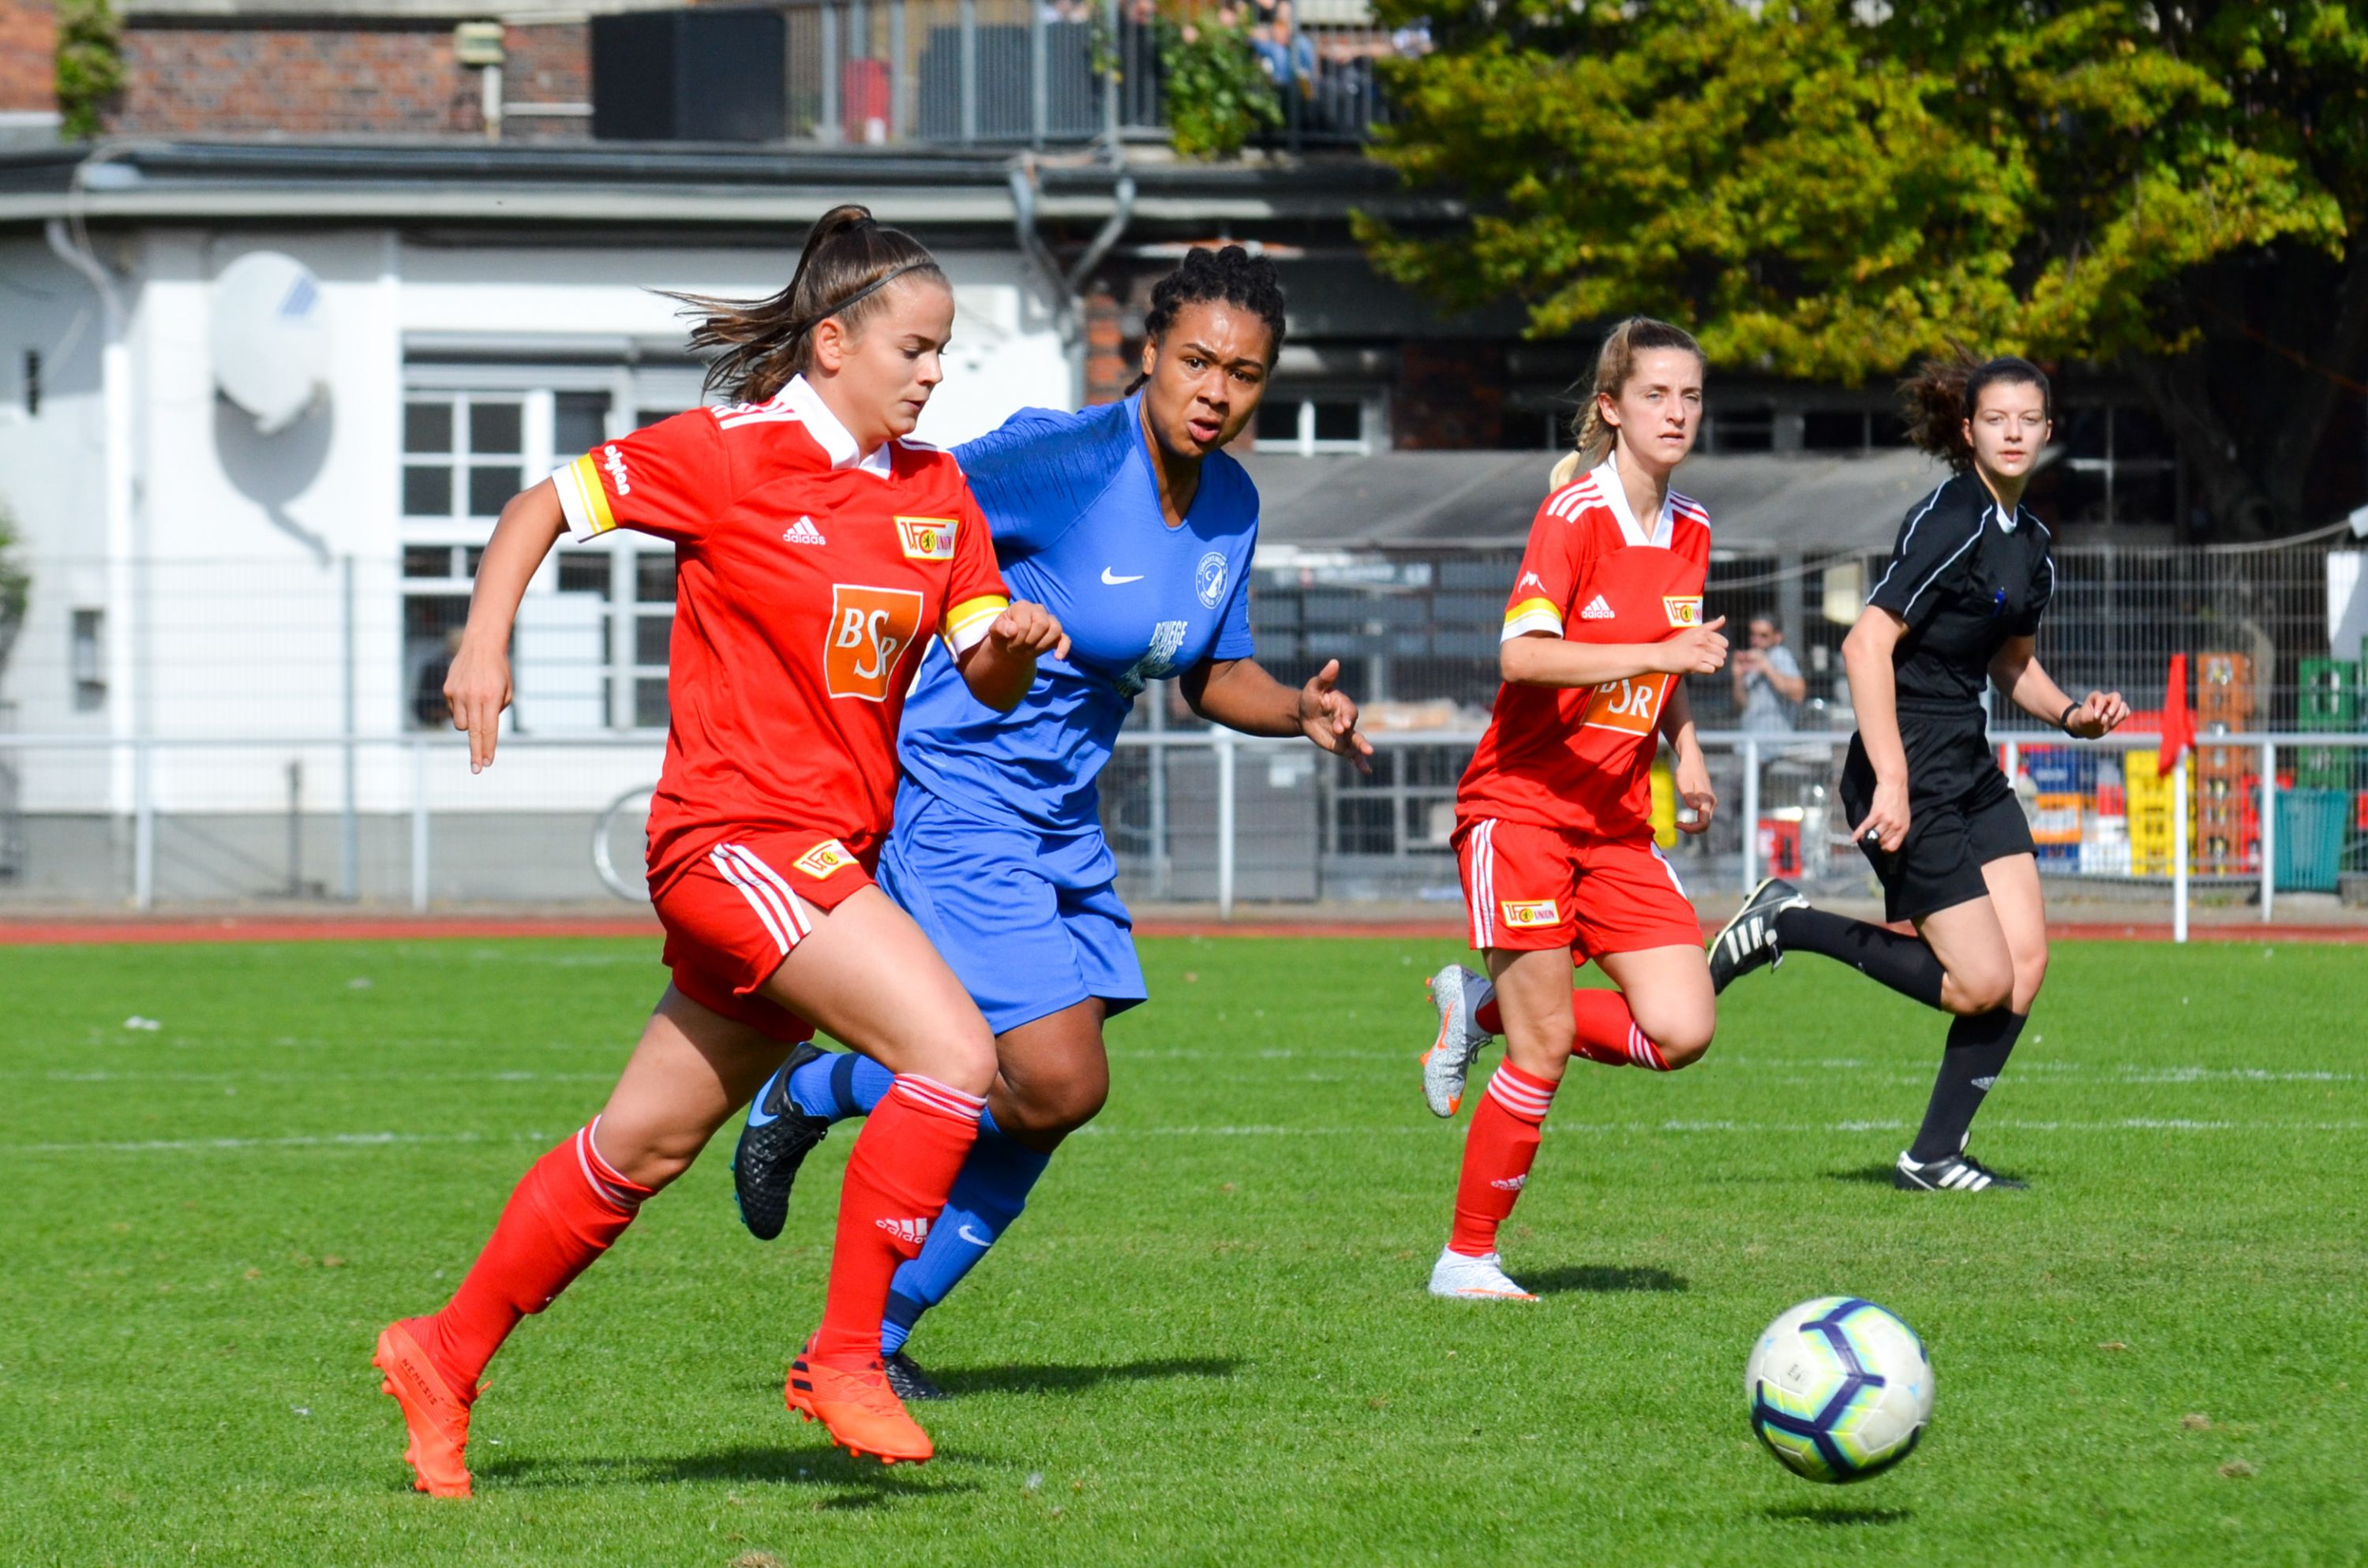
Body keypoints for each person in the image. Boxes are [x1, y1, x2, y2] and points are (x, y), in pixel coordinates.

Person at [372, 205, 1070, 1491]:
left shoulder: (937, 493)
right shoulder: (729, 454)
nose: (930, 374)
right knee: (955, 1054)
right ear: (832, 343)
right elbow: (543, 503)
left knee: (635, 1148)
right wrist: (485, 636)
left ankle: (442, 1350)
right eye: (913, 349)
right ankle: (846, 1354)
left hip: (820, 865)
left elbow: (981, 673)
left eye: (944, 353)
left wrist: (1010, 649)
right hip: (734, 841)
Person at [730, 245, 1373, 1396]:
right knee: (1047, 1073)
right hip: (954, 789)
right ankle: (812, 1096)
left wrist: (1299, 711)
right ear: (1149, 356)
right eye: (1196, 363)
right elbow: (899, 503)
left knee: (1055, 1098)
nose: (1216, 392)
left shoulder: (1231, 502)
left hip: (1061, 820)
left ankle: (869, 1335)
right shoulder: (1064, 457)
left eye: (1245, 373)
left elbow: (1209, 671)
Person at [1707, 351, 2128, 1192]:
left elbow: (2013, 669)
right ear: (1969, 431)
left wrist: (2074, 713)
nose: (2013, 432)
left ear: (2047, 431)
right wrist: (1892, 781)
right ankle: (1789, 922)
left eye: (2028, 419)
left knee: (2026, 965)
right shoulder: (1953, 518)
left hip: (1965, 761)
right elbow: (1865, 642)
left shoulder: (2033, 545)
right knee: (1979, 981)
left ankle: (1933, 1155)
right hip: (1904, 765)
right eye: (1996, 419)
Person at [1417, 316, 1729, 1302]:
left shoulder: (1696, 527)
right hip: (1523, 810)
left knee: (1683, 1028)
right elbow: (1523, 656)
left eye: (1689, 397)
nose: (1675, 413)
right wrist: (1656, 659)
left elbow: (1671, 656)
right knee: (1546, 1044)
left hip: (1616, 818)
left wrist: (1691, 753)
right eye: (1654, 396)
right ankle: (1466, 1257)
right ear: (1612, 408)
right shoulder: (1576, 514)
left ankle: (1481, 1006)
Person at [1732, 613, 1806, 734]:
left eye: (1763, 636)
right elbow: (1740, 705)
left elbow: (1799, 693)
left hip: (1776, 744)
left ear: (1777, 637)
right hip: (1750, 742)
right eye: (1753, 635)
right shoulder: (1753, 659)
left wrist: (1767, 668)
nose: (1756, 641)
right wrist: (1738, 677)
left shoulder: (1780, 655)